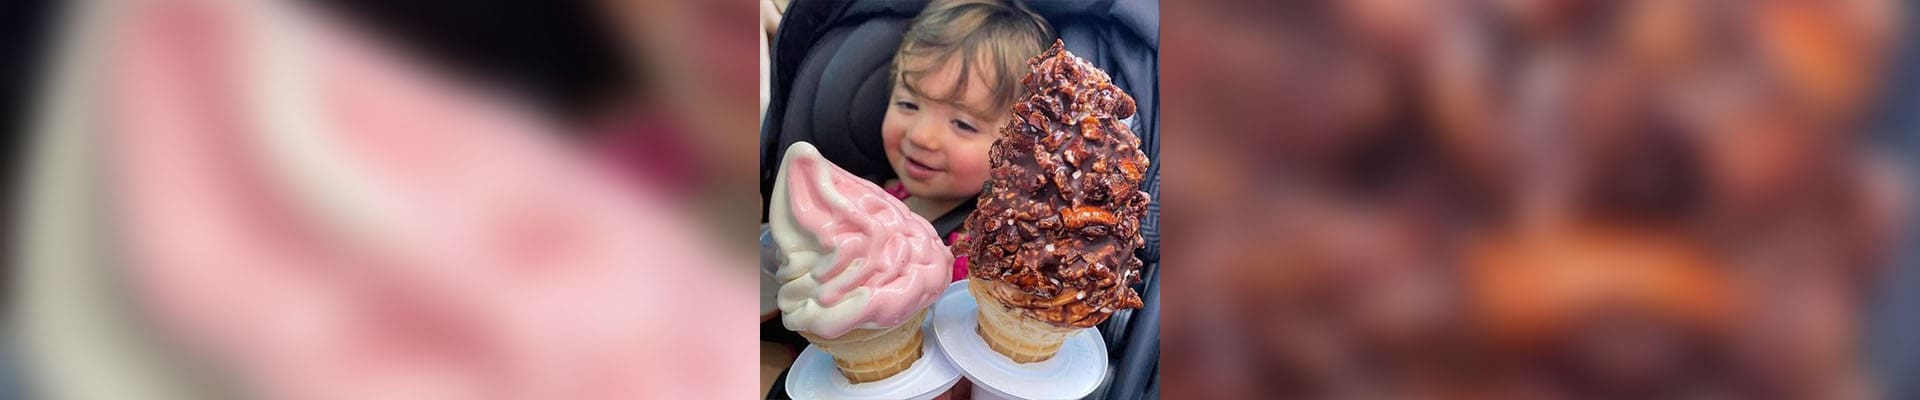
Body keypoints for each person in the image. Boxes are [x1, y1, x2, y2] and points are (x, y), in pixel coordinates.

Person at [879, 0, 1055, 281]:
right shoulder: (883, 196)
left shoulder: (975, 261)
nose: (921, 136)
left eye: (962, 124)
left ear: (1019, 148)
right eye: (908, 104)